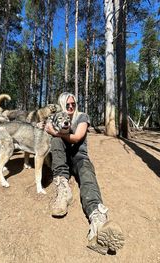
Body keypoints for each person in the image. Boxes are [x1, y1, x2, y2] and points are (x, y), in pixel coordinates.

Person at [44, 92, 125, 254]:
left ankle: (98, 222)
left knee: (88, 177)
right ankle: (63, 191)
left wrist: (55, 132)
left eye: (73, 104)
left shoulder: (82, 117)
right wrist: (48, 128)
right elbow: (46, 127)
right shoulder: (55, 117)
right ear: (61, 105)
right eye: (67, 105)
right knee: (56, 140)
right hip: (61, 161)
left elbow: (76, 137)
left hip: (79, 158)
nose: (71, 107)